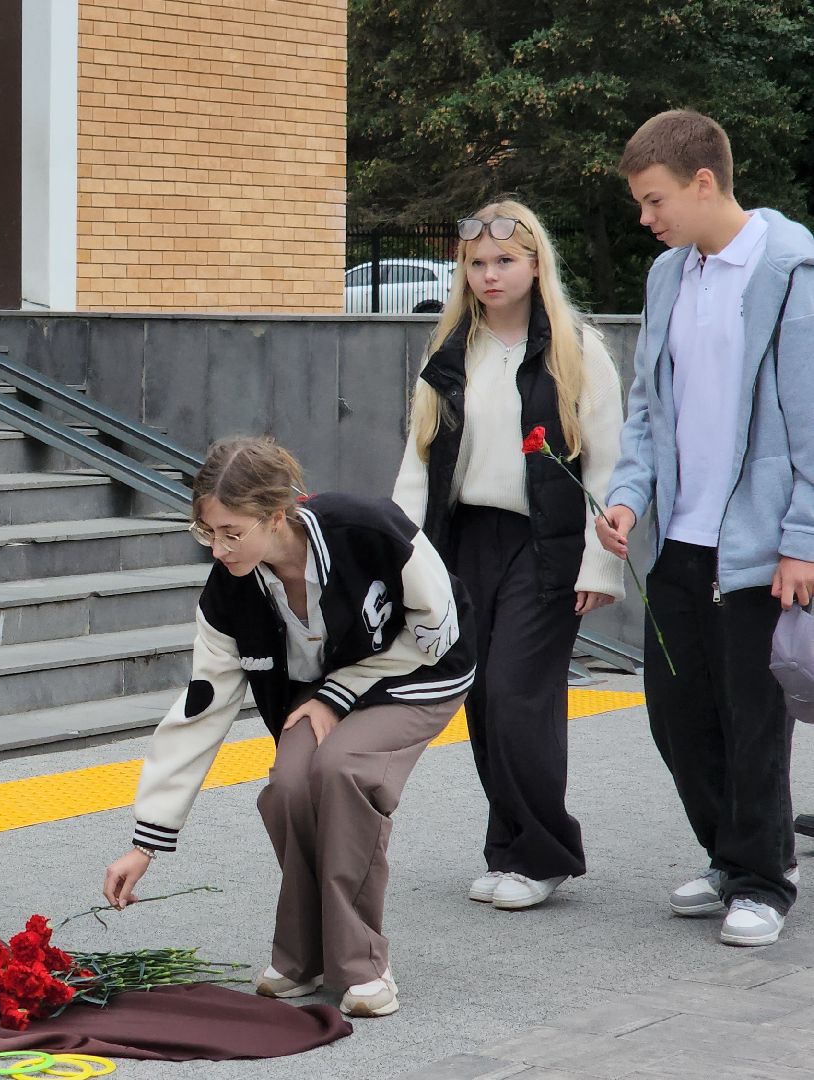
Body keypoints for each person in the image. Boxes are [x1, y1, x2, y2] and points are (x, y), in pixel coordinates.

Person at [104, 436, 474, 1018]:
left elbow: (438, 632)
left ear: (277, 516)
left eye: (233, 532)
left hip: (416, 672)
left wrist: (340, 692)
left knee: (341, 770)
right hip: (322, 692)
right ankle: (302, 959)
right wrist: (145, 840)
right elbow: (201, 710)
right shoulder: (227, 593)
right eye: (208, 533)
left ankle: (362, 965)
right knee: (289, 786)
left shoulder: (370, 529)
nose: (219, 549)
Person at [598, 110, 812, 947]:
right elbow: (649, 407)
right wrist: (628, 492)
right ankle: (728, 855)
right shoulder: (668, 277)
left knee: (754, 720)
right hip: (679, 540)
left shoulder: (792, 270)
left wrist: (802, 538)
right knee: (676, 715)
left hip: (761, 546)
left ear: (702, 182)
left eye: (654, 202)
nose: (646, 220)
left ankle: (765, 878)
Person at [390, 200, 625, 911]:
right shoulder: (450, 352)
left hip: (543, 543)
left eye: (505, 261)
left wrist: (601, 563)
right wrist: (401, 559)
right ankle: (509, 848)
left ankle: (547, 852)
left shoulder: (576, 349)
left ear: (534, 264)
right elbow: (417, 460)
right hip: (465, 541)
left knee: (519, 695)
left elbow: (608, 464)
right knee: (484, 701)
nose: (490, 276)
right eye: (478, 264)